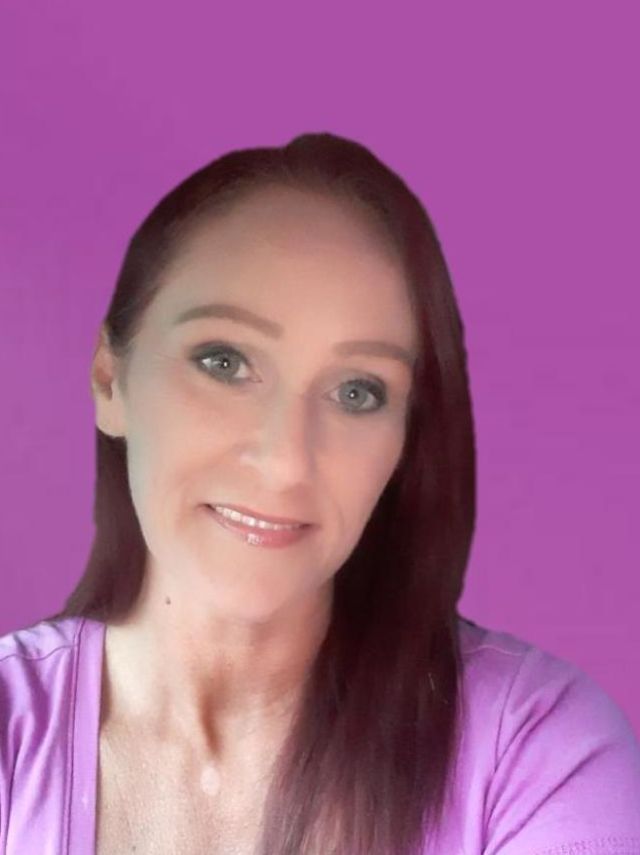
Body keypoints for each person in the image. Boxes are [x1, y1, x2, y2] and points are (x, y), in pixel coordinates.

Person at [1, 132, 639, 855]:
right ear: (110, 380)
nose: (285, 463)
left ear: (405, 441)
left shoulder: (541, 751)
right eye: (224, 361)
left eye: (356, 391)